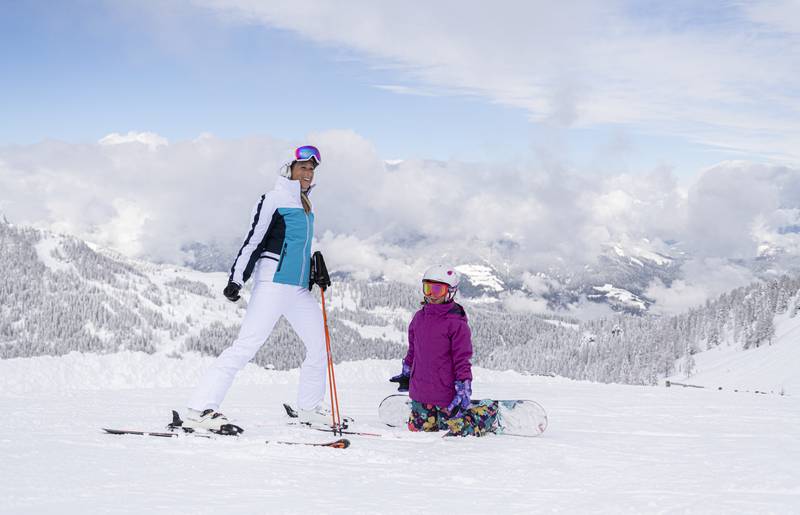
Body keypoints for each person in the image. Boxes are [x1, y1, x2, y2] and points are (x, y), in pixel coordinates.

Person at [184, 145, 337, 432]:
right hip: (273, 283)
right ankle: (200, 410)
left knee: (320, 346)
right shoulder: (274, 198)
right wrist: (237, 279)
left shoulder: (305, 204)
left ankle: (309, 408)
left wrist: (313, 270)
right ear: (288, 169)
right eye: (302, 167)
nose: (307, 172)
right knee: (245, 346)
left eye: (311, 168)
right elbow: (253, 240)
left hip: (297, 290)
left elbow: (297, 246)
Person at [389, 265, 498, 436]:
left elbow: (462, 359)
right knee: (418, 430)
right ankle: (424, 413)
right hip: (420, 392)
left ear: (450, 292)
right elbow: (413, 350)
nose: (431, 295)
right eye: (427, 288)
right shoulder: (419, 318)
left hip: (445, 394)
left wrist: (463, 384)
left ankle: (488, 413)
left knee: (457, 431)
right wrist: (407, 371)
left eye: (437, 290)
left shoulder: (456, 324)